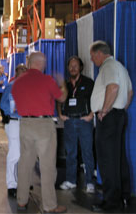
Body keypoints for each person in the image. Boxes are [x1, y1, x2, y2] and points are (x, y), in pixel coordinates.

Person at [12, 52, 67, 213]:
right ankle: (49, 205)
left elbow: (17, 100)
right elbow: (62, 97)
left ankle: (21, 201)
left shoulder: (17, 82)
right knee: (47, 166)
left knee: (25, 164)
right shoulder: (47, 80)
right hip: (44, 125)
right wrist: (62, 83)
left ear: (29, 64)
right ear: (42, 64)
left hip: (25, 124)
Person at [89, 41, 133, 212]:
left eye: (93, 57)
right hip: (119, 116)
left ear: (100, 54)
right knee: (119, 158)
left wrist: (105, 111)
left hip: (108, 118)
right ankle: (124, 196)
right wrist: (121, 109)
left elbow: (113, 88)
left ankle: (111, 201)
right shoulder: (121, 67)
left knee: (107, 160)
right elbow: (129, 92)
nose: (92, 60)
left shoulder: (108, 66)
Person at [57, 56, 95, 193]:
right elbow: (59, 100)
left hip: (84, 122)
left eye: (75, 65)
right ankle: (71, 180)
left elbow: (96, 99)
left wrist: (91, 114)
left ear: (81, 67)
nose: (73, 68)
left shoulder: (88, 82)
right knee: (71, 153)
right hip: (69, 122)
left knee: (87, 152)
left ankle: (90, 182)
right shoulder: (65, 85)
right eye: (71, 66)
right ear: (68, 68)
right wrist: (60, 114)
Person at [0, 64, 27, 198]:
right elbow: (3, 103)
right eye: (20, 70)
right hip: (14, 121)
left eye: (25, 70)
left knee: (22, 154)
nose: (23, 72)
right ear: (16, 72)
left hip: (25, 123)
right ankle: (11, 184)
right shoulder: (11, 86)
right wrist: (12, 111)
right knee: (15, 154)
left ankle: (18, 181)